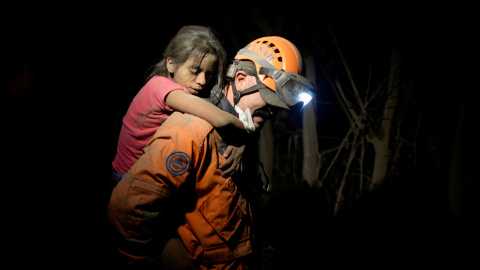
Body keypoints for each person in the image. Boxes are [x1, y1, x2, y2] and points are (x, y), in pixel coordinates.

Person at [107, 36, 316, 269]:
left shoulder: (241, 132)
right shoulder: (190, 132)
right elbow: (127, 211)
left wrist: (255, 251)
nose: (271, 114)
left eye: (277, 107)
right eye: (268, 101)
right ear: (242, 79)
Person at [111, 25, 249, 182]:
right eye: (195, 71)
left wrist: (239, 143)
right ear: (171, 64)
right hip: (129, 178)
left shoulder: (177, 87)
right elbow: (222, 119)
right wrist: (247, 136)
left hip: (147, 170)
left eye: (208, 74)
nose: (202, 81)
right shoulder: (162, 88)